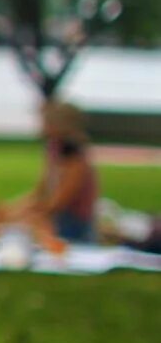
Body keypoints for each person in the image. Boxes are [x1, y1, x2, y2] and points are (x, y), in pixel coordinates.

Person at [22, 101, 99, 242]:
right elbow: (40, 191)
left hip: (73, 226)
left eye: (47, 122)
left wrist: (20, 215)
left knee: (19, 230)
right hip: (58, 218)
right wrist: (10, 209)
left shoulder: (75, 158)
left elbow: (58, 204)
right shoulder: (53, 148)